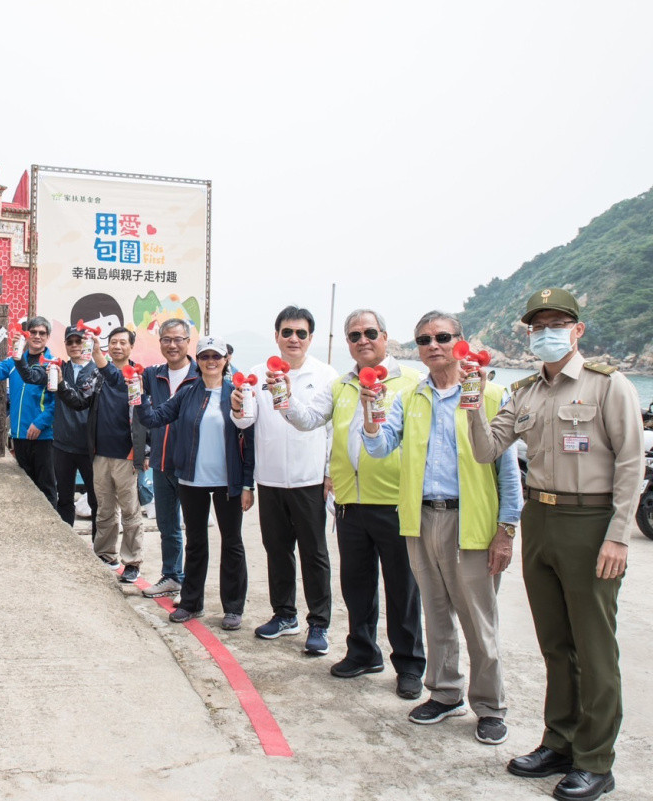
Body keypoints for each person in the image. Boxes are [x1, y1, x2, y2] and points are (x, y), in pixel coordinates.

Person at [465, 289, 643, 800]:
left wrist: (618, 537)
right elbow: (485, 450)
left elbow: (631, 464)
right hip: (539, 518)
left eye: (557, 322)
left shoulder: (609, 387)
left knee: (594, 647)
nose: (546, 332)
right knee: (556, 645)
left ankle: (596, 760)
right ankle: (559, 742)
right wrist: (475, 402)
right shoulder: (522, 392)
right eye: (537, 325)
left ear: (577, 330)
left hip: (590, 522)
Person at [359, 311, 522, 746]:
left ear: (461, 342)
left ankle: (490, 705)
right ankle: (445, 692)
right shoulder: (412, 397)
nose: (433, 345)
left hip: (472, 521)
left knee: (478, 618)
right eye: (423, 340)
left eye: (442, 337)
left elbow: (509, 473)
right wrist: (369, 414)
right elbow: (378, 447)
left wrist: (506, 529)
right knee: (435, 613)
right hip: (420, 519)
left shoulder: (491, 395)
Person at [275, 309, 426, 699]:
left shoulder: (412, 381)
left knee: (403, 589)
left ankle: (409, 664)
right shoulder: (343, 384)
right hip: (349, 503)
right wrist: (285, 399)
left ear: (386, 337)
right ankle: (363, 652)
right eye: (355, 335)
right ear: (348, 343)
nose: (363, 341)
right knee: (357, 585)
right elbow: (309, 420)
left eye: (370, 333)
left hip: (395, 502)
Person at [230, 307, 338, 655]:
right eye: (287, 332)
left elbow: (330, 427)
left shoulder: (325, 374)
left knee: (314, 554)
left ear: (310, 338)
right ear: (276, 335)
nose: (294, 339)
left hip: (309, 480)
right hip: (271, 479)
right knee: (277, 551)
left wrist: (328, 473)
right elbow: (246, 423)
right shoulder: (258, 373)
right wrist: (236, 407)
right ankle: (284, 615)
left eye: (301, 333)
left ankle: (318, 623)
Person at [137, 335, 256, 630]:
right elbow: (154, 419)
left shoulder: (239, 393)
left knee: (232, 543)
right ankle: (191, 602)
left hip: (228, 480)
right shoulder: (188, 392)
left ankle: (233, 608)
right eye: (205, 357)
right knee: (196, 542)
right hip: (193, 480)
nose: (211, 362)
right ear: (198, 361)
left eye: (216, 356)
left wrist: (247, 484)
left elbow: (249, 441)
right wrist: (137, 397)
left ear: (226, 360)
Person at [57, 327, 148, 582]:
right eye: (113, 342)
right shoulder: (97, 375)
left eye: (123, 342)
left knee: (130, 511)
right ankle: (105, 555)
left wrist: (144, 452)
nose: (118, 346)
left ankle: (132, 561)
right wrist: (60, 383)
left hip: (127, 454)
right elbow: (80, 401)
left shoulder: (138, 376)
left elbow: (146, 417)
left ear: (131, 347)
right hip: (99, 454)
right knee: (105, 509)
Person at [16, 327, 99, 536]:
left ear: (86, 343)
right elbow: (29, 376)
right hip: (62, 443)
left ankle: (99, 548)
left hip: (89, 446)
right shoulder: (57, 367)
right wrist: (18, 354)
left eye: (78, 341)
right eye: (69, 342)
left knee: (96, 500)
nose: (74, 346)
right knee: (64, 498)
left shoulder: (98, 371)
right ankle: (66, 540)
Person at [139, 318, 199, 599]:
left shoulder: (202, 374)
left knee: (196, 529)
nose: (172, 345)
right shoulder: (152, 375)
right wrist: (146, 451)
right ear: (160, 342)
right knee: (167, 525)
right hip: (162, 462)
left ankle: (192, 585)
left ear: (188, 342)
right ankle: (172, 576)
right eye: (167, 340)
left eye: (178, 339)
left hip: (192, 465)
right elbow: (142, 415)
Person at [0, 317, 57, 505]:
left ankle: (50, 529)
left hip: (43, 436)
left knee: (46, 487)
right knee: (25, 486)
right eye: (33, 332)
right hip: (19, 434)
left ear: (48, 337)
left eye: (42, 333)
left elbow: (57, 403)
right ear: (26, 334)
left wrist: (40, 423)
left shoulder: (52, 364)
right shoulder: (15, 361)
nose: (37, 336)